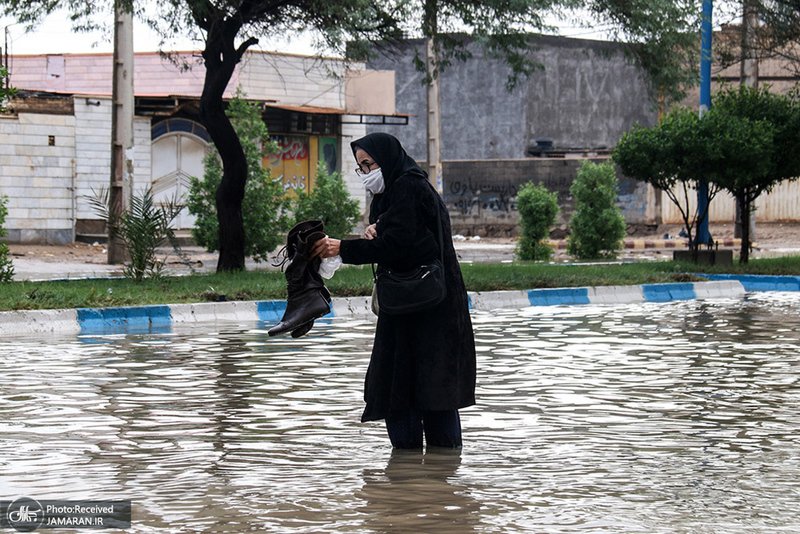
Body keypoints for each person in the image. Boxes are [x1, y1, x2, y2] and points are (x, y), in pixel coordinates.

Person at [311, 132, 477, 449]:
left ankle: (436, 477)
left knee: (433, 391)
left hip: (431, 307)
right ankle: (410, 472)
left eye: (369, 164)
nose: (365, 173)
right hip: (405, 305)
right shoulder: (391, 194)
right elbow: (400, 234)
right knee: (399, 387)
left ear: (386, 159)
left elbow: (398, 245)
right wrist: (378, 227)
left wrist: (341, 248)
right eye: (361, 167)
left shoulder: (409, 187)